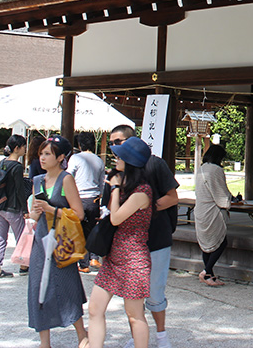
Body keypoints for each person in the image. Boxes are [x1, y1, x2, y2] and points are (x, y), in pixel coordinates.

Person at [110, 125, 179, 348]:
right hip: (129, 242)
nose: (114, 149)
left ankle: (161, 335)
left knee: (155, 291)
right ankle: (137, 335)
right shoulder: (118, 171)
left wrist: (145, 208)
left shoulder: (155, 164)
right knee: (132, 292)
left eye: (119, 142)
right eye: (113, 144)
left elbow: (173, 197)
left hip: (156, 238)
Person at [88, 137, 153, 348]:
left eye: (120, 156)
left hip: (134, 260)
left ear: (130, 161)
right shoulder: (127, 186)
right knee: (95, 309)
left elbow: (116, 218)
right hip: (114, 257)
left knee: (134, 315)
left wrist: (115, 187)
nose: (116, 159)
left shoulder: (142, 192)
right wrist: (116, 186)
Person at [28, 135, 88, 348]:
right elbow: (35, 216)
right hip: (41, 240)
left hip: (62, 241)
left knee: (67, 287)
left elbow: (79, 213)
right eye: (41, 153)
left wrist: (52, 209)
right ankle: (45, 342)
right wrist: (33, 215)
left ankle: (82, 335)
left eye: (47, 154)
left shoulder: (66, 179)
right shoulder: (37, 180)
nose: (42, 158)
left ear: (61, 157)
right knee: (38, 289)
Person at [195, 138, 241, 287]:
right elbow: (221, 193)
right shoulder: (216, 170)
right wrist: (231, 200)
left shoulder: (201, 168)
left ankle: (210, 276)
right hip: (212, 211)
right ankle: (206, 271)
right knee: (220, 242)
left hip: (200, 209)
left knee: (206, 244)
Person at [0, 135, 29, 278]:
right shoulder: (17, 167)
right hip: (12, 208)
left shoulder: (2, 163)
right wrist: (25, 210)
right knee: (21, 237)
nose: (25, 149)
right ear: (17, 148)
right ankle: (24, 265)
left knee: (0, 236)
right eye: (24, 146)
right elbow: (19, 190)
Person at [69, 131, 105, 272]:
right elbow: (102, 182)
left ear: (79, 144)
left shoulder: (75, 158)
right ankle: (94, 257)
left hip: (79, 198)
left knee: (80, 231)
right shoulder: (99, 160)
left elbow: (69, 175)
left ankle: (83, 264)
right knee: (92, 229)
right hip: (94, 198)